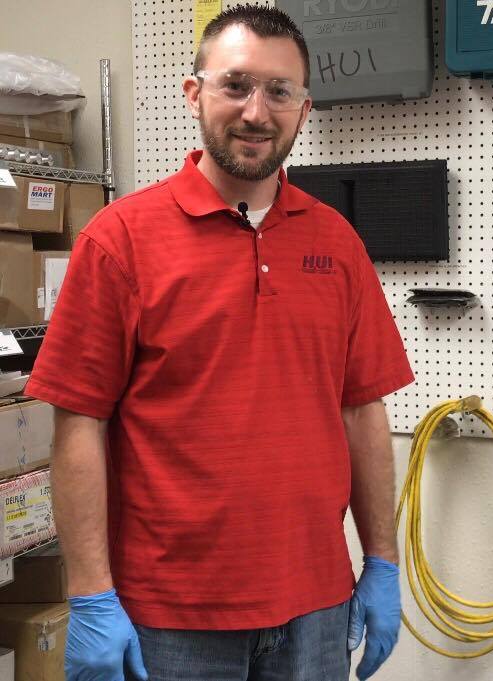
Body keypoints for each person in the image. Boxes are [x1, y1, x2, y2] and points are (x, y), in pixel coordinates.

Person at [24, 5, 414, 681]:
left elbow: (362, 411)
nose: (256, 112)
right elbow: (79, 424)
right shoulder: (119, 242)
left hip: (316, 607)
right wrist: (90, 592)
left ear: (304, 107)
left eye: (279, 91)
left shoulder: (337, 244)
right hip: (170, 616)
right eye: (235, 85)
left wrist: (381, 559)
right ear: (194, 92)